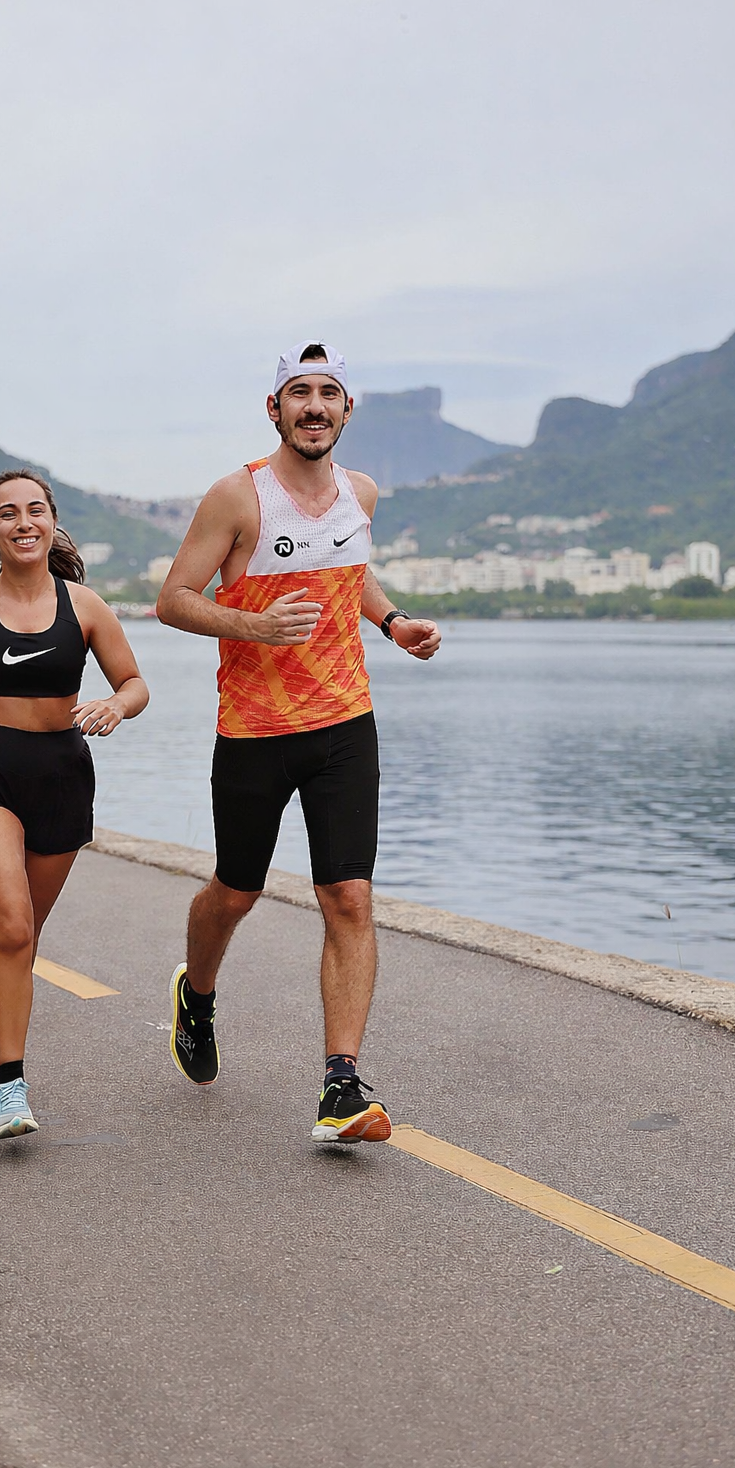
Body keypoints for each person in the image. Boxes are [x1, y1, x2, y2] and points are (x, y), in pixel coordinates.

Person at [156, 342, 440, 1142]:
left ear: (348, 410)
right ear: (274, 409)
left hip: (347, 722)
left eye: (329, 394)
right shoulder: (237, 498)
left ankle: (341, 1086)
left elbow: (350, 574)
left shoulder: (362, 494)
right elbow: (173, 600)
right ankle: (198, 997)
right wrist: (252, 624)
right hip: (254, 730)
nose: (314, 407)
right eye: (298, 394)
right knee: (235, 893)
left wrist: (391, 622)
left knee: (347, 896)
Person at [0, 469, 148, 1139]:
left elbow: (134, 683)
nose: (22, 522)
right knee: (11, 927)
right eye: (7, 513)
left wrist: (114, 704)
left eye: (34, 510)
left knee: (24, 937)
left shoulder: (87, 606)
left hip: (61, 776)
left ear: (50, 521)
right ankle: (11, 1091)